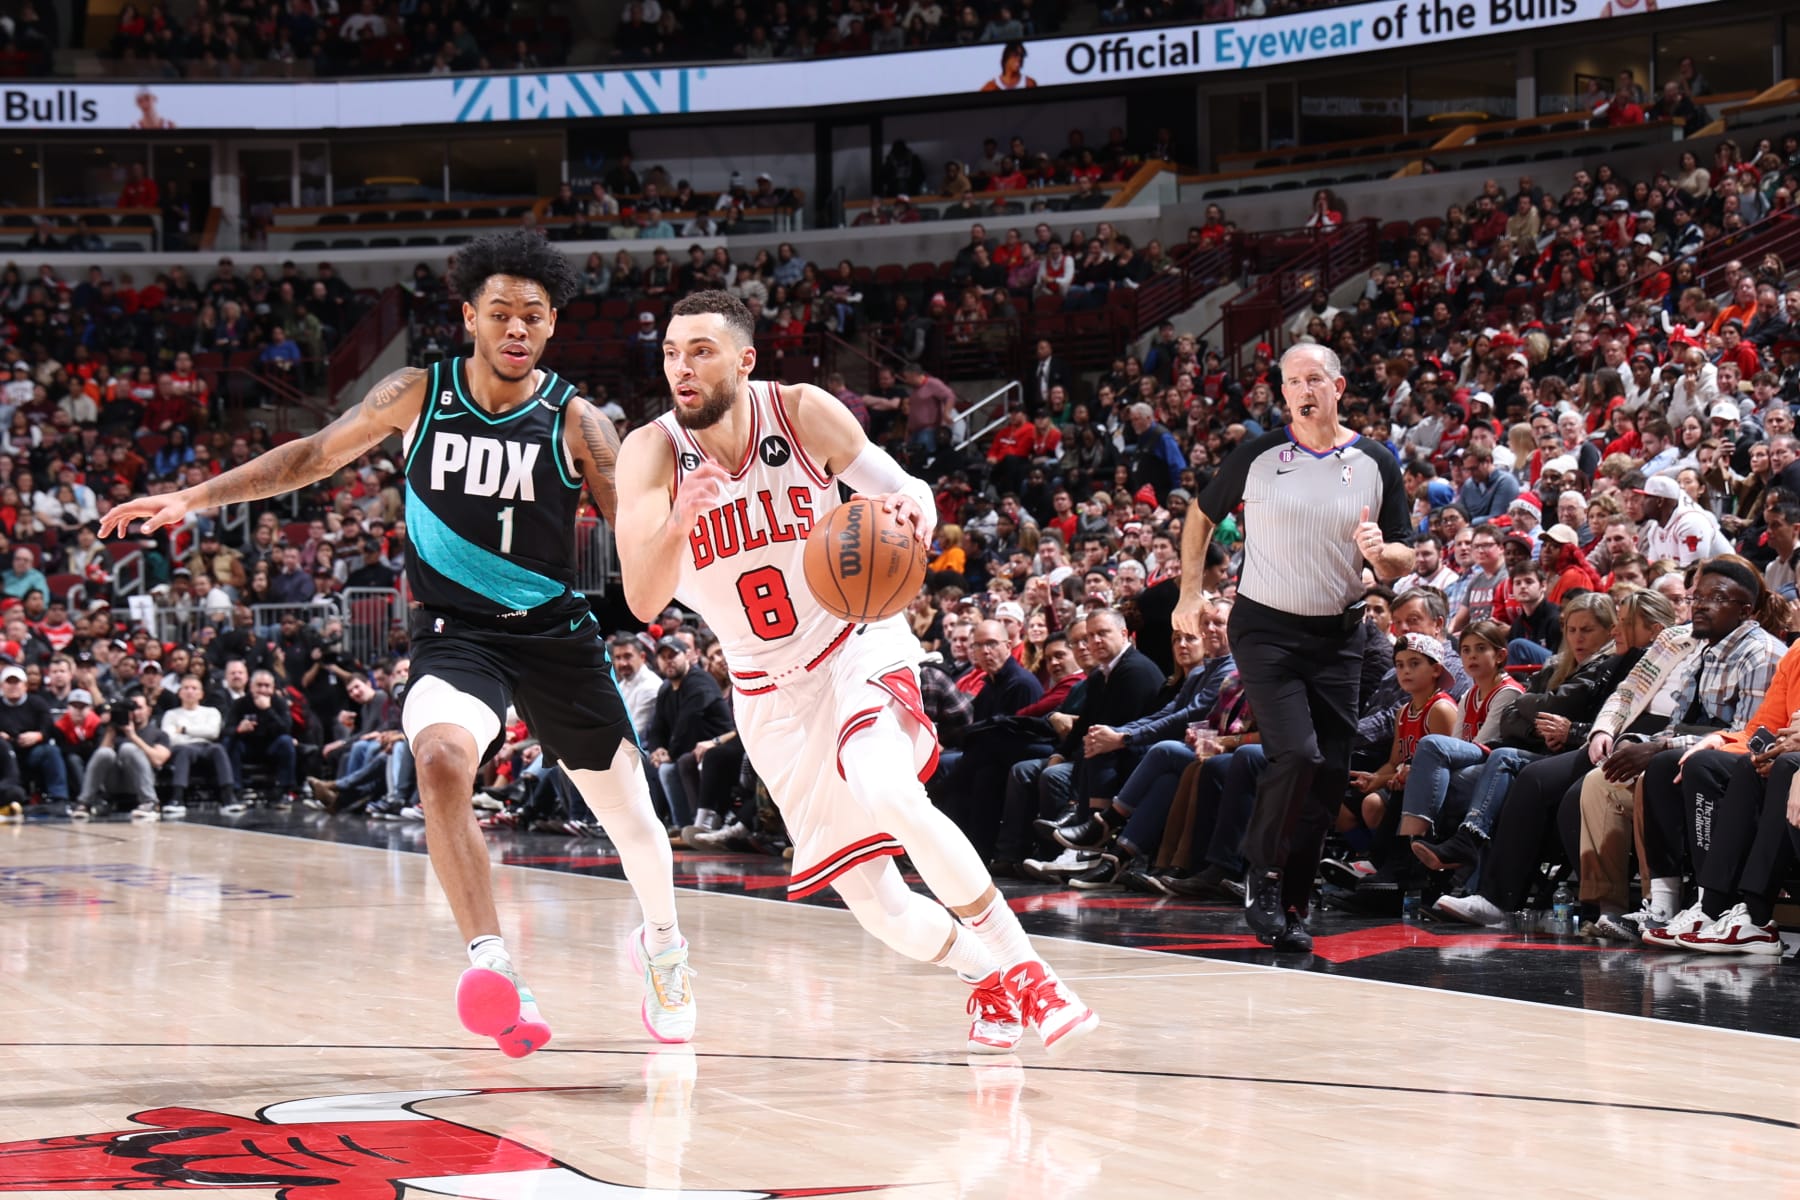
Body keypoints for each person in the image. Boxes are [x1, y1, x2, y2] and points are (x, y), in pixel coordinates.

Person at [98, 230, 694, 1057]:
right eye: (500, 313)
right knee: (442, 758)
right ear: (469, 317)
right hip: (456, 636)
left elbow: (645, 534)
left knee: (633, 823)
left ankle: (663, 944)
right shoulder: (420, 392)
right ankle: (494, 965)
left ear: (552, 325)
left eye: (532, 316)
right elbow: (311, 456)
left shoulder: (578, 422)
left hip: (556, 638)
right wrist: (195, 497)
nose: (516, 329)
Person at [614, 289, 1098, 1056]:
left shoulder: (802, 412)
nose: (682, 367)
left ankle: (1029, 969)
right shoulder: (650, 452)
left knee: (885, 786)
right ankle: (988, 979)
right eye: (672, 352)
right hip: (767, 694)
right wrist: (678, 521)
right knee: (879, 908)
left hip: (853, 642)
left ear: (744, 358)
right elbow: (641, 598)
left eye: (701, 351)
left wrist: (913, 517)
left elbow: (905, 489)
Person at [1172, 343, 1414, 952]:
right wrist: (1189, 594)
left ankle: (1296, 904)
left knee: (1330, 774)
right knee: (1298, 756)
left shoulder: (1375, 460)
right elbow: (1199, 517)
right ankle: (1261, 874)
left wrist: (1381, 554)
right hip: (1266, 630)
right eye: (1290, 382)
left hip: (1339, 634)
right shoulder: (1258, 455)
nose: (1302, 391)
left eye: (1313, 379)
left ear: (1337, 386)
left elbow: (1405, 552)